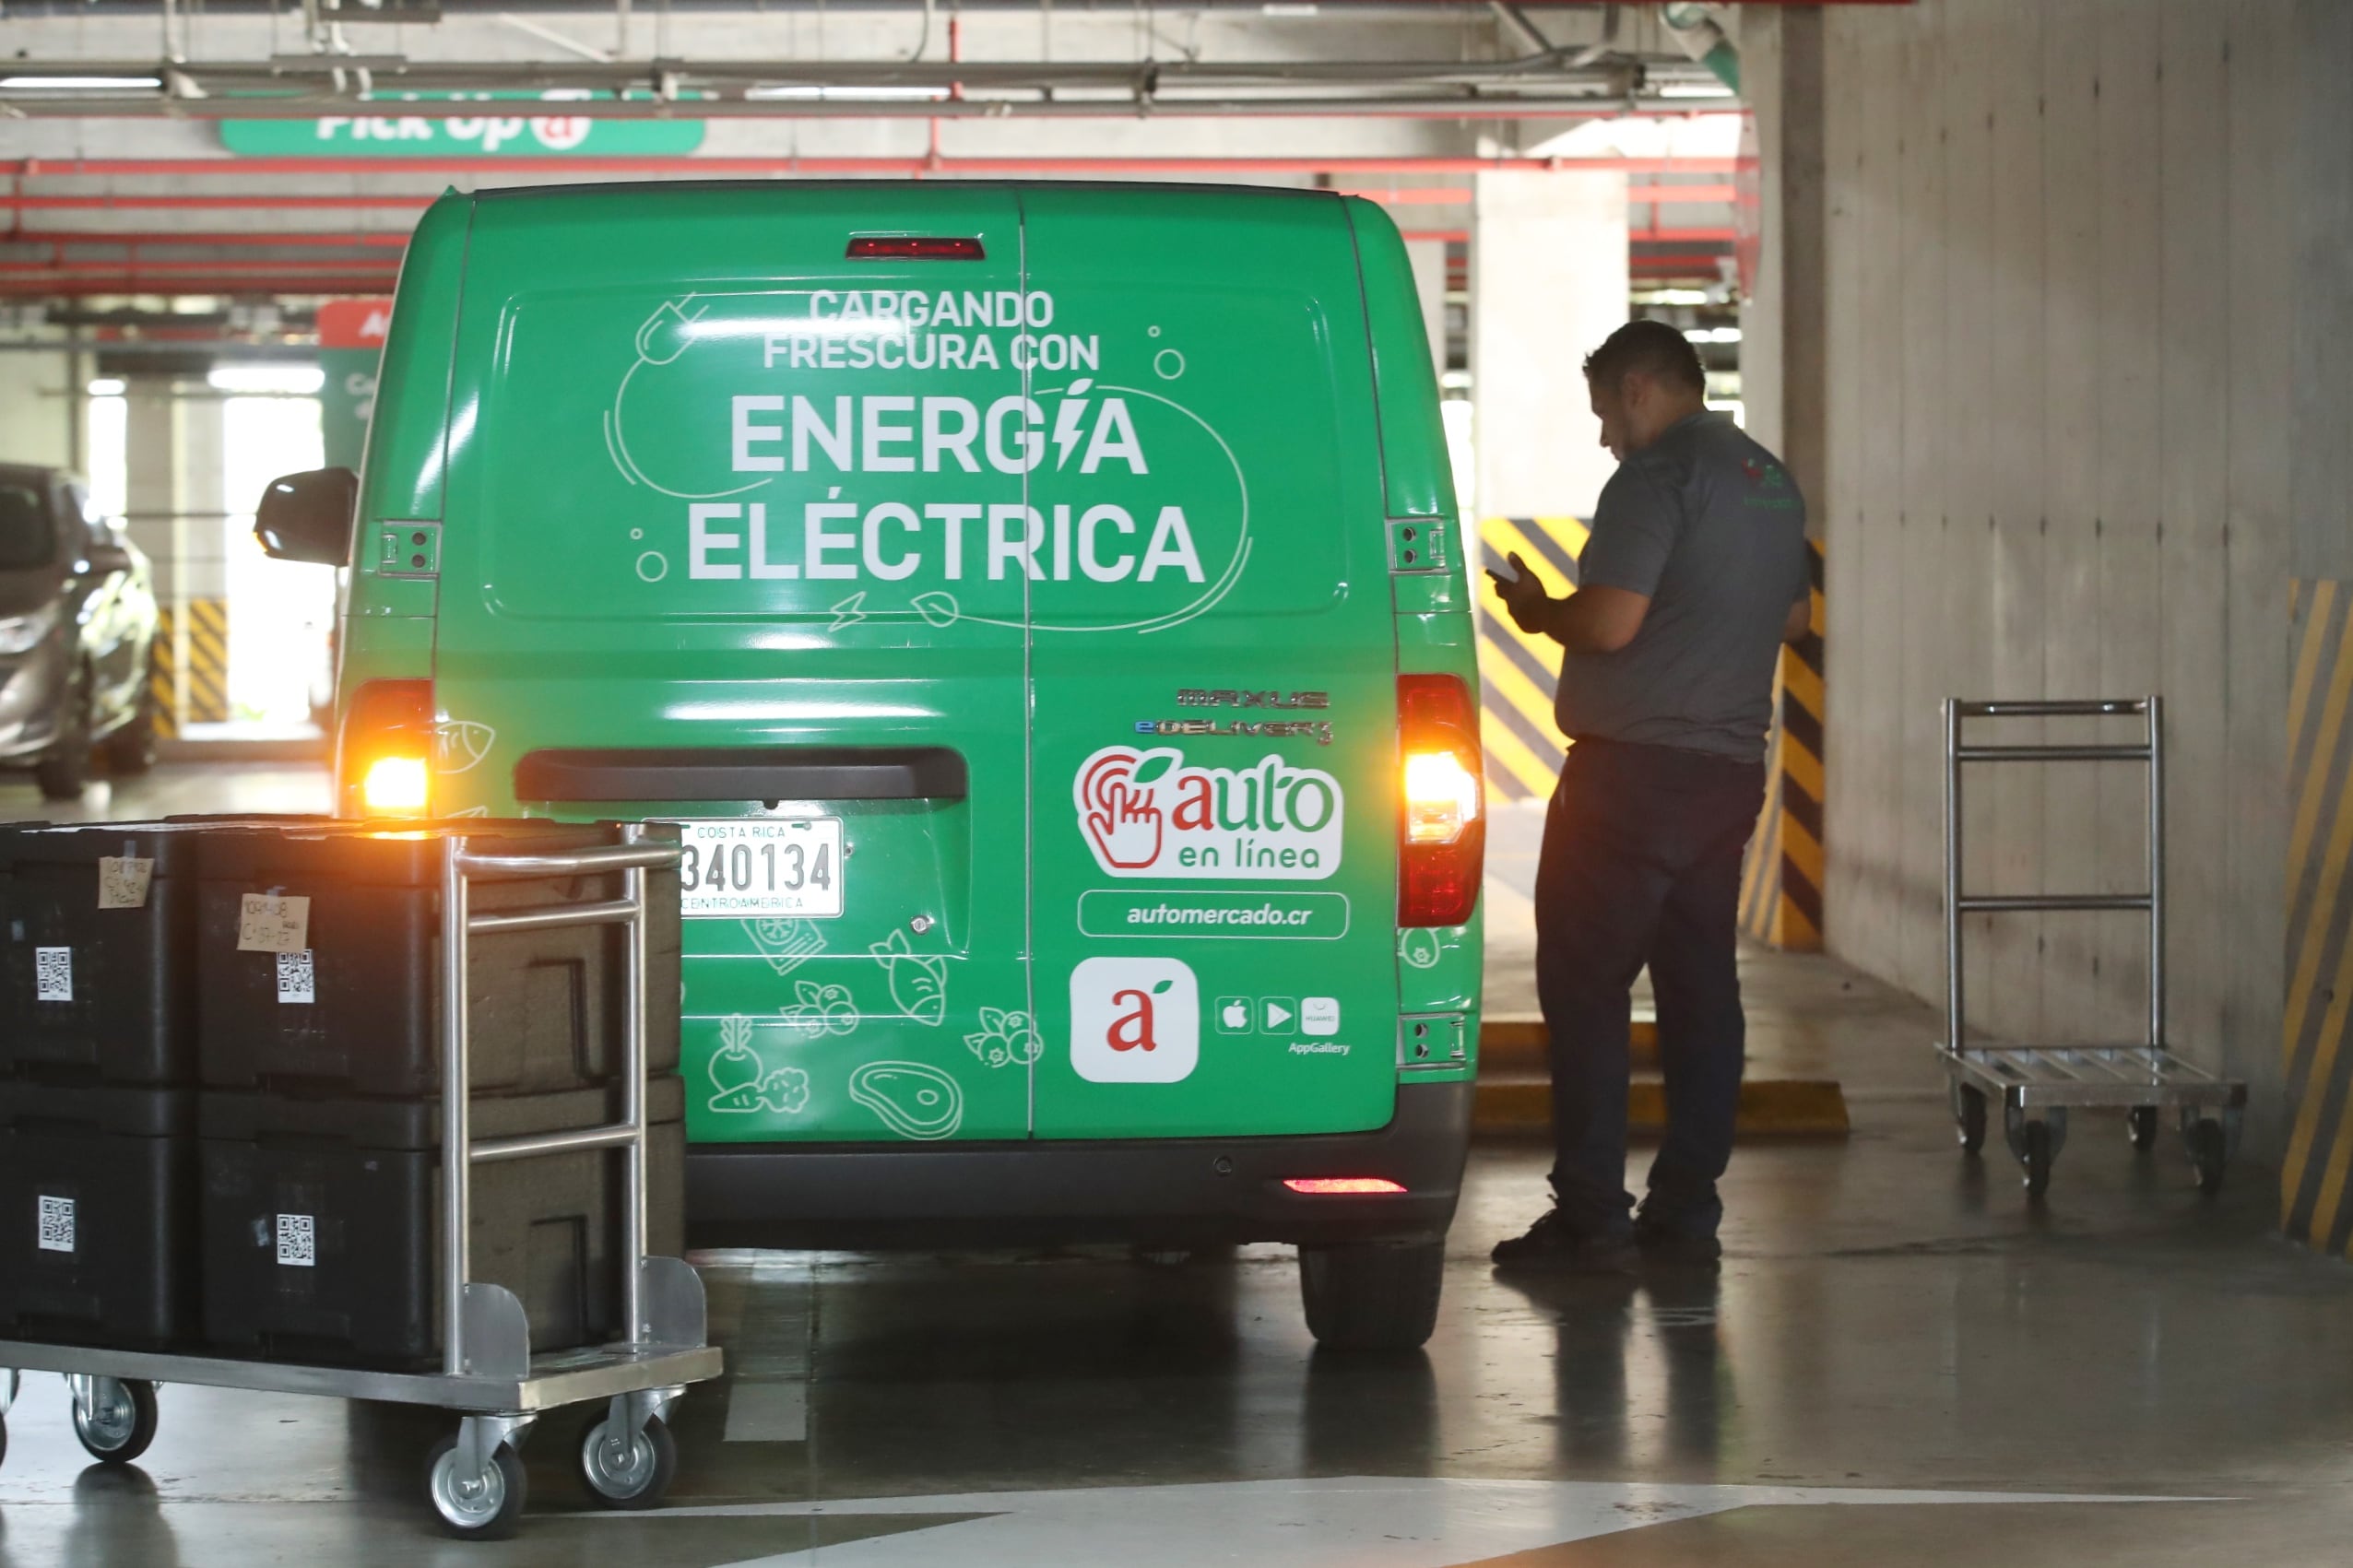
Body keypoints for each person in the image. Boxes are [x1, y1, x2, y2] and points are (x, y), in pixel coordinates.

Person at [1487, 318, 1810, 1271]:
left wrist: (1539, 610)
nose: (1604, 438)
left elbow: (1609, 623)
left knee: (1585, 989)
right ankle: (1685, 1211)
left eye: (1604, 413)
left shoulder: (1656, 476)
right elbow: (1792, 618)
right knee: (1700, 992)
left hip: (1629, 777)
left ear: (1637, 388)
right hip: (1726, 776)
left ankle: (1591, 1217)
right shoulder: (1767, 478)